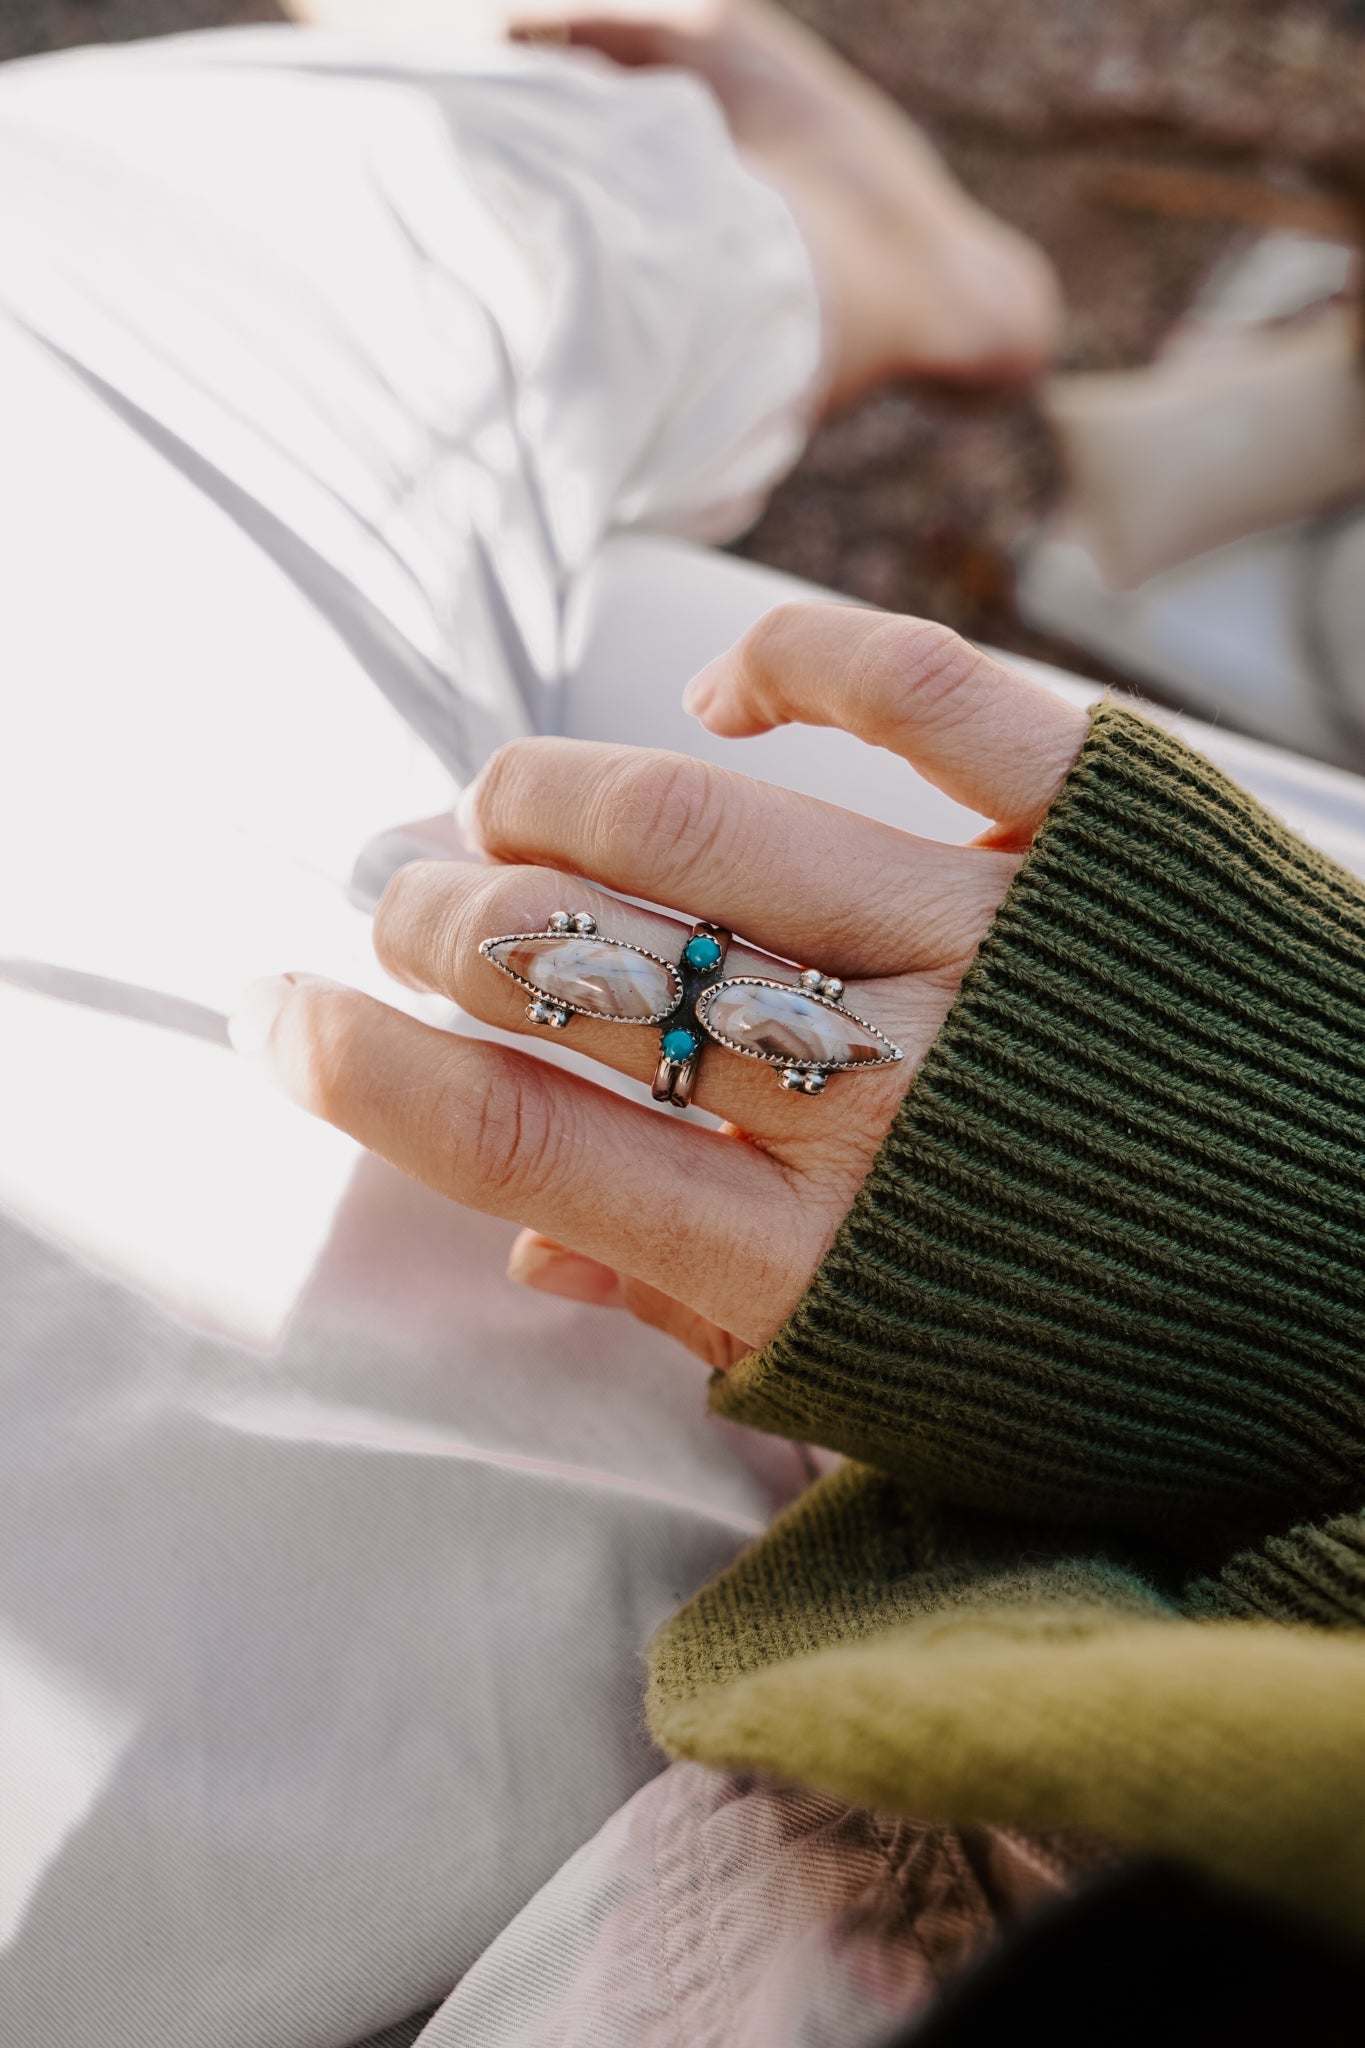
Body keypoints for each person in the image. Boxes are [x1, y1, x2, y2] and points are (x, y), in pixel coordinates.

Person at [1, 7, 1363, 2045]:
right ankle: (849, 251)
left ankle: (814, 234)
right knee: (610, 698)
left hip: (733, 1824)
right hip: (926, 1689)